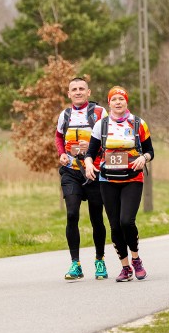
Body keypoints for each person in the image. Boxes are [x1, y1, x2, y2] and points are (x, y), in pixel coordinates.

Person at [84, 86, 153, 282]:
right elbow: (91, 152)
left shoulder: (138, 123)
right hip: (108, 180)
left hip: (132, 178)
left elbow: (150, 150)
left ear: (126, 102)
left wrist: (144, 158)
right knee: (114, 225)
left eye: (121, 99)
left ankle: (136, 259)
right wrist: (89, 163)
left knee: (126, 221)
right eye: (114, 99)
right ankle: (125, 267)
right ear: (109, 103)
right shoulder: (101, 125)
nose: (118, 102)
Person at [55, 77, 108, 280]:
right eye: (73, 89)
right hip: (70, 171)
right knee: (71, 214)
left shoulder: (99, 112)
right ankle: (75, 264)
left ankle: (100, 260)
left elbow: (108, 137)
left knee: (96, 218)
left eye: (81, 89)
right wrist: (61, 153)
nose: (77, 92)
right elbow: (59, 136)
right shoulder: (65, 114)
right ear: (69, 94)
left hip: (93, 170)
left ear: (88, 92)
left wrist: (93, 149)